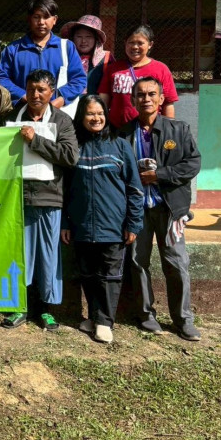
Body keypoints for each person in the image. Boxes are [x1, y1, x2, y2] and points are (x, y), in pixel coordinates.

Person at [119, 76, 202, 341]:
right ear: (133, 100)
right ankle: (146, 315)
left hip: (170, 210)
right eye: (140, 95)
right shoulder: (123, 134)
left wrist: (160, 175)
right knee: (137, 262)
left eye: (151, 94)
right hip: (137, 210)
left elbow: (192, 164)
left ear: (161, 99)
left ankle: (183, 319)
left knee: (176, 263)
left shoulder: (178, 130)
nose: (146, 99)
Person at [61, 95, 144, 344]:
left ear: (106, 116)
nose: (96, 118)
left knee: (109, 275)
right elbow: (64, 189)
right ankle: (95, 316)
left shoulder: (120, 146)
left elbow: (135, 189)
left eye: (100, 113)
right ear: (81, 117)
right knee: (88, 273)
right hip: (82, 224)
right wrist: (65, 222)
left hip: (113, 225)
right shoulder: (74, 146)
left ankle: (105, 322)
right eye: (90, 114)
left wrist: (133, 223)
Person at [2, 69, 78, 331]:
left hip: (49, 198)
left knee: (48, 256)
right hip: (17, 197)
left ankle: (46, 310)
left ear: (51, 92)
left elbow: (70, 156)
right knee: (19, 254)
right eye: (31, 89)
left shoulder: (62, 121)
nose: (35, 95)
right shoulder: (11, 117)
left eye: (41, 90)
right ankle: (19, 307)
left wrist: (36, 140)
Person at [0, 0, 86, 112]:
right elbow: (0, 77)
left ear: (55, 20)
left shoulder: (67, 47)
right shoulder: (13, 49)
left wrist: (60, 99)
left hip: (57, 113)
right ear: (29, 19)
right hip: (23, 111)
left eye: (46, 17)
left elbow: (79, 79)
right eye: (36, 17)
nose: (41, 22)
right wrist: (23, 96)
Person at [99, 25, 177, 131]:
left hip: (150, 131)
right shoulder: (113, 69)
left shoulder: (161, 69)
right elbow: (103, 101)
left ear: (150, 45)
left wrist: (168, 131)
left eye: (140, 43)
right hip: (118, 131)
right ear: (125, 43)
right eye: (131, 42)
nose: (135, 47)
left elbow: (168, 103)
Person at [59, 15, 115, 95]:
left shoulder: (106, 58)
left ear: (96, 39)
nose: (83, 41)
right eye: (79, 36)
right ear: (72, 38)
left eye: (88, 37)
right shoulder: (64, 56)